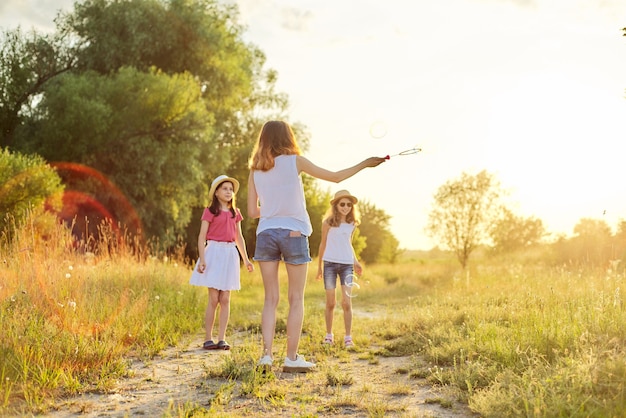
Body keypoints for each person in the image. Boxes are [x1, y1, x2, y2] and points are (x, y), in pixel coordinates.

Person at [247, 120, 386, 373]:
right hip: (294, 232)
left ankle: (266, 357)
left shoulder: (255, 169)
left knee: (270, 299)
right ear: (288, 137)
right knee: (295, 298)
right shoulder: (295, 161)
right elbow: (334, 177)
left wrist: (273, 209)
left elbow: (251, 211)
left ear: (263, 139)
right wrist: (365, 163)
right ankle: (290, 358)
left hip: (266, 232)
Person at [190, 175, 254, 351]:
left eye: (231, 189)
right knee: (213, 298)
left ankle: (222, 338)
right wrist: (202, 259)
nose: (229, 192)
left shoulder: (235, 213)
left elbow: (238, 237)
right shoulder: (210, 211)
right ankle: (208, 338)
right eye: (225, 188)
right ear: (216, 192)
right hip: (214, 254)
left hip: (229, 254)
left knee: (225, 298)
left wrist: (246, 259)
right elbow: (202, 236)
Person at [316, 190, 362, 349]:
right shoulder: (327, 223)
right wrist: (319, 267)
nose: (346, 207)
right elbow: (322, 244)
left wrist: (356, 261)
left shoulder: (352, 224)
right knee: (331, 302)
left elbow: (349, 243)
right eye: (342, 204)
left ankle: (348, 337)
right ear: (336, 205)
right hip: (329, 264)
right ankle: (329, 336)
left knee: (346, 303)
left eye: (349, 204)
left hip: (346, 265)